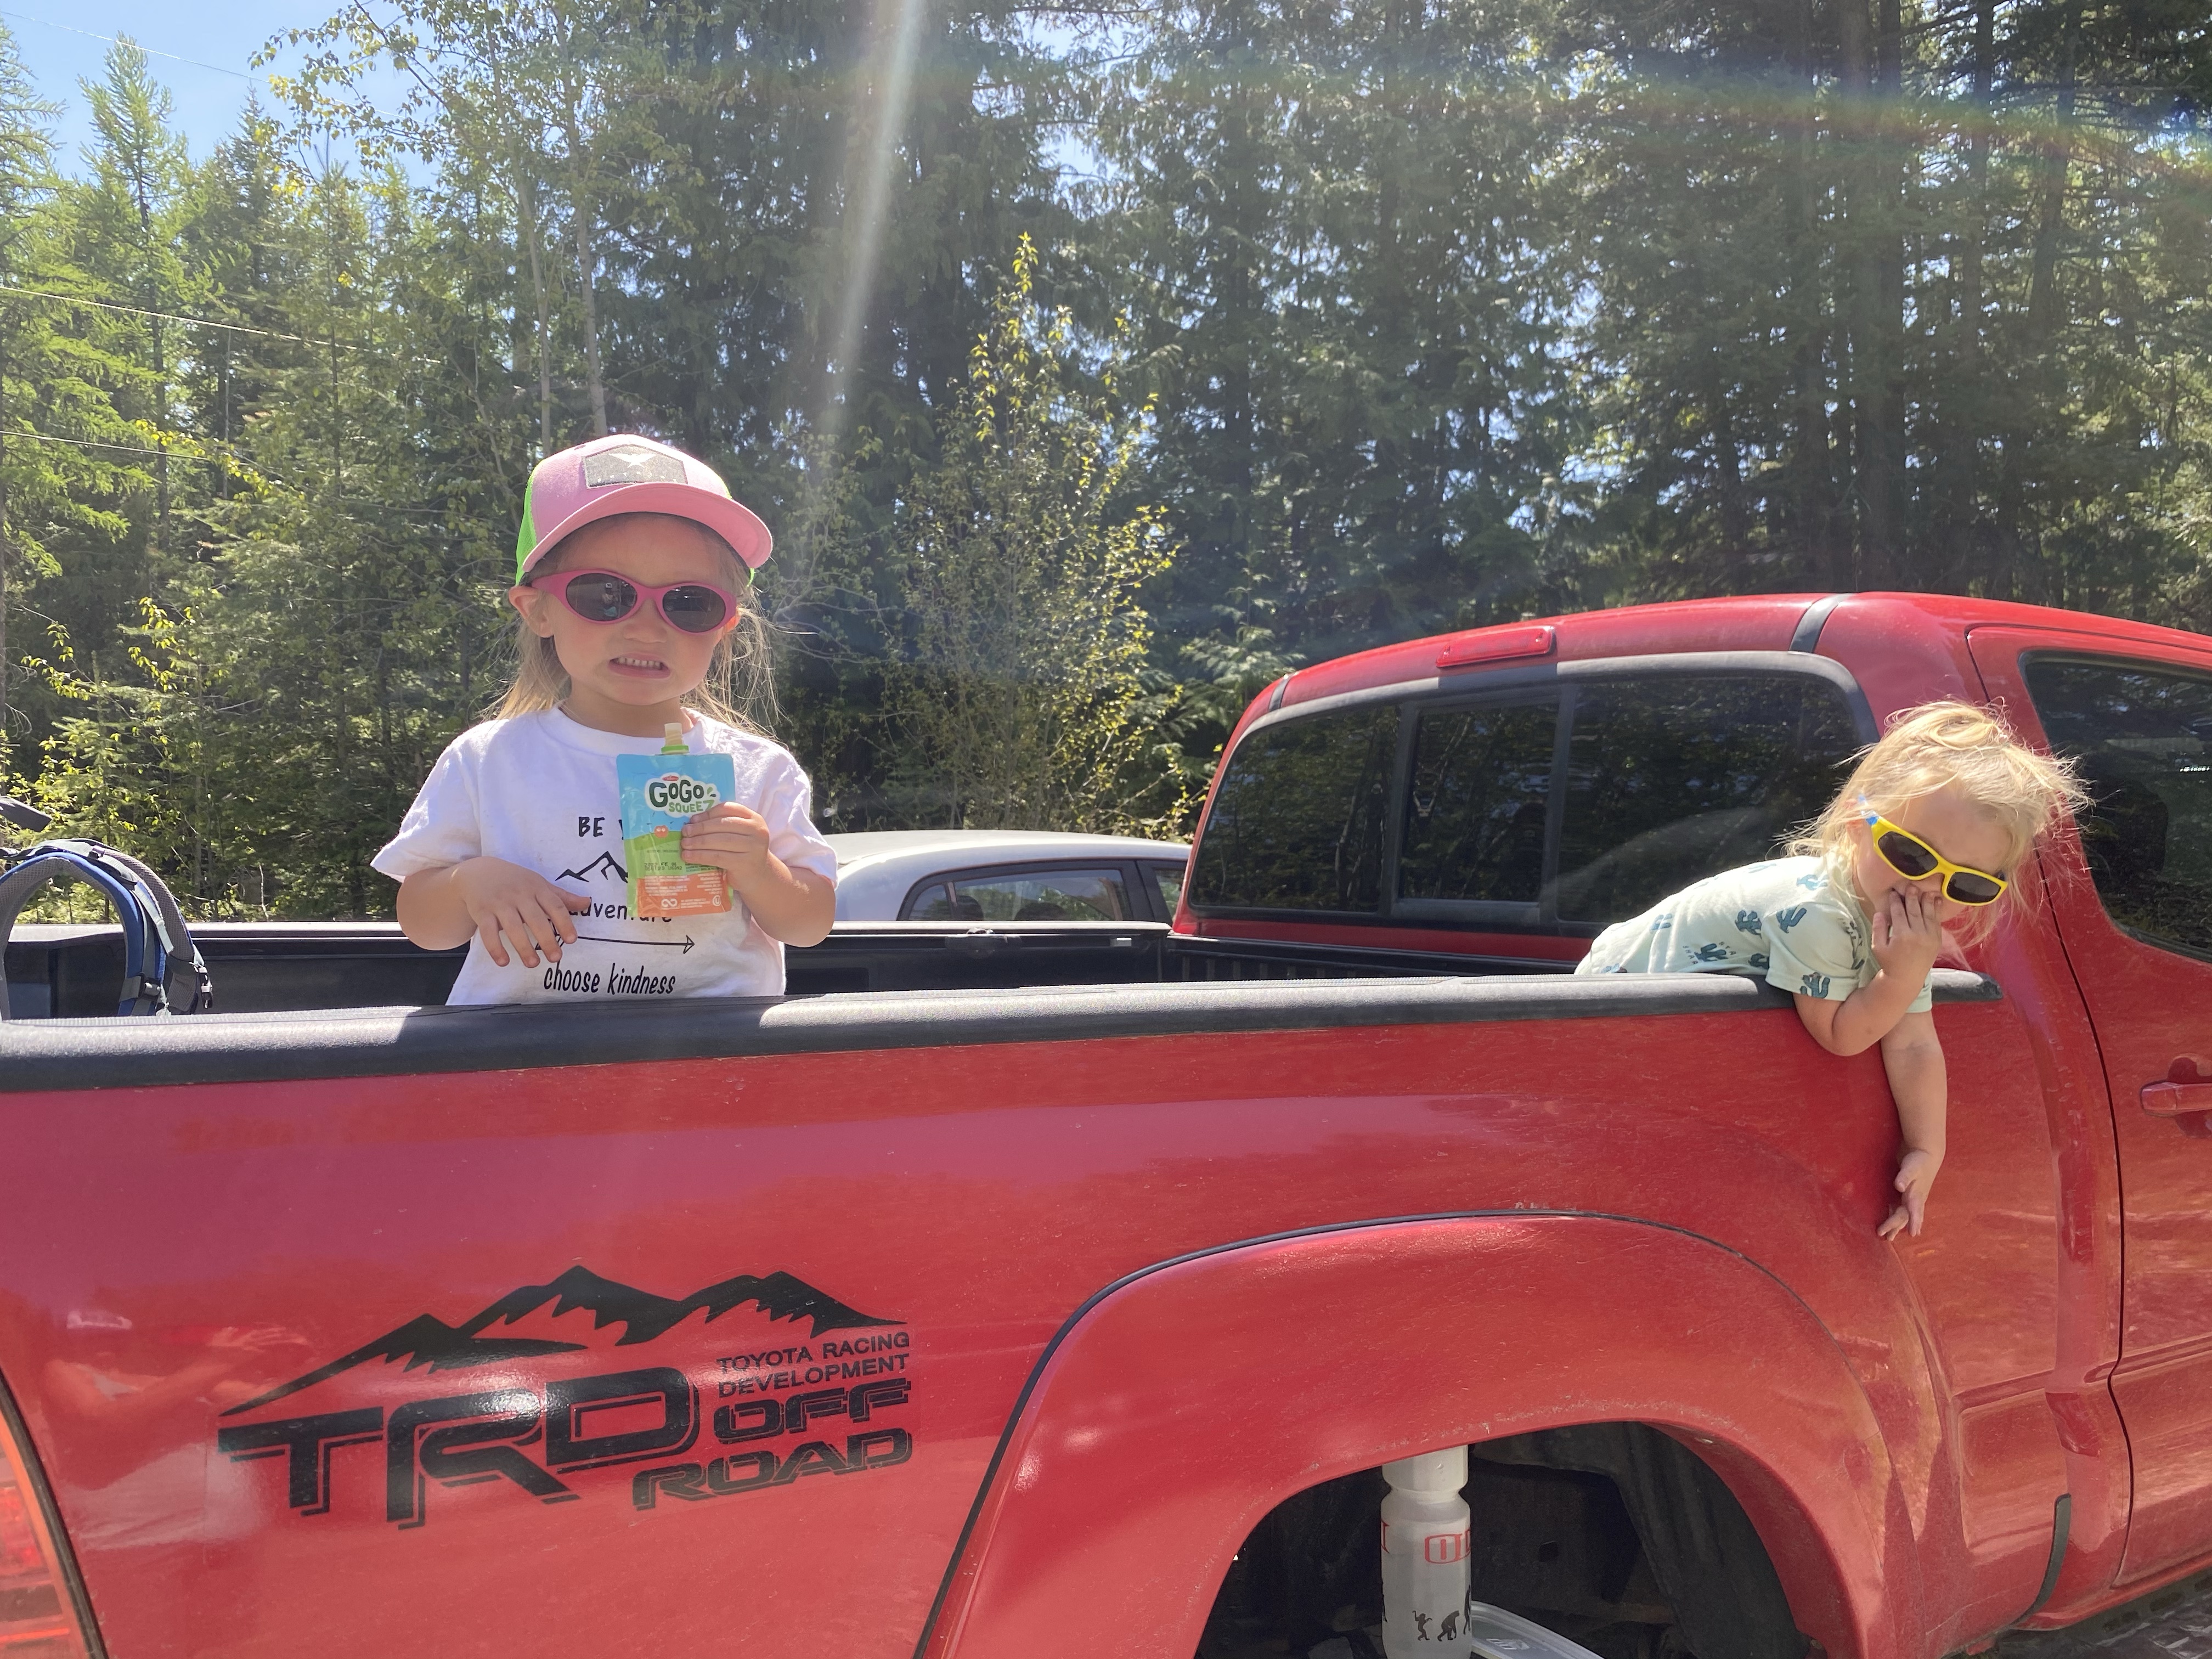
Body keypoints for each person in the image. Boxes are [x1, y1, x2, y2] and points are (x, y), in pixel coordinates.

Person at [1573, 701, 2086, 1239]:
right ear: (1857, 824)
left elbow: (1913, 1043)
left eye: (1968, 883)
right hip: (1613, 994)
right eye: (1912, 855)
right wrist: (1903, 977)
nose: (1928, 888)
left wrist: (1926, 1147)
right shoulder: (1818, 913)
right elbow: (1841, 1033)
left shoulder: (1894, 922)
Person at [374, 435, 836, 1004]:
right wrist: (469, 884)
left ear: (724, 627)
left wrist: (761, 871)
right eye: (605, 595)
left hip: (709, 1053)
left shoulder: (760, 770)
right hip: (524, 1053)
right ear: (537, 609)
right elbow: (423, 925)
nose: (647, 627)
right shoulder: (488, 761)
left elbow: (810, 925)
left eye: (689, 603)